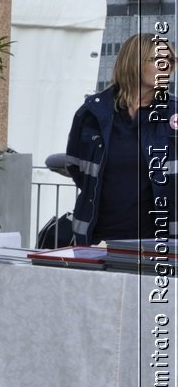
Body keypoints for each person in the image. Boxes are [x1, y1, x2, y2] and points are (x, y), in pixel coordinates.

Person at [63, 32, 175, 245]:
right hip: (96, 239)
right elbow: (76, 166)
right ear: (133, 62)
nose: (166, 66)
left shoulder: (174, 113)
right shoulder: (90, 113)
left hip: (157, 242)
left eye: (170, 60)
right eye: (158, 59)